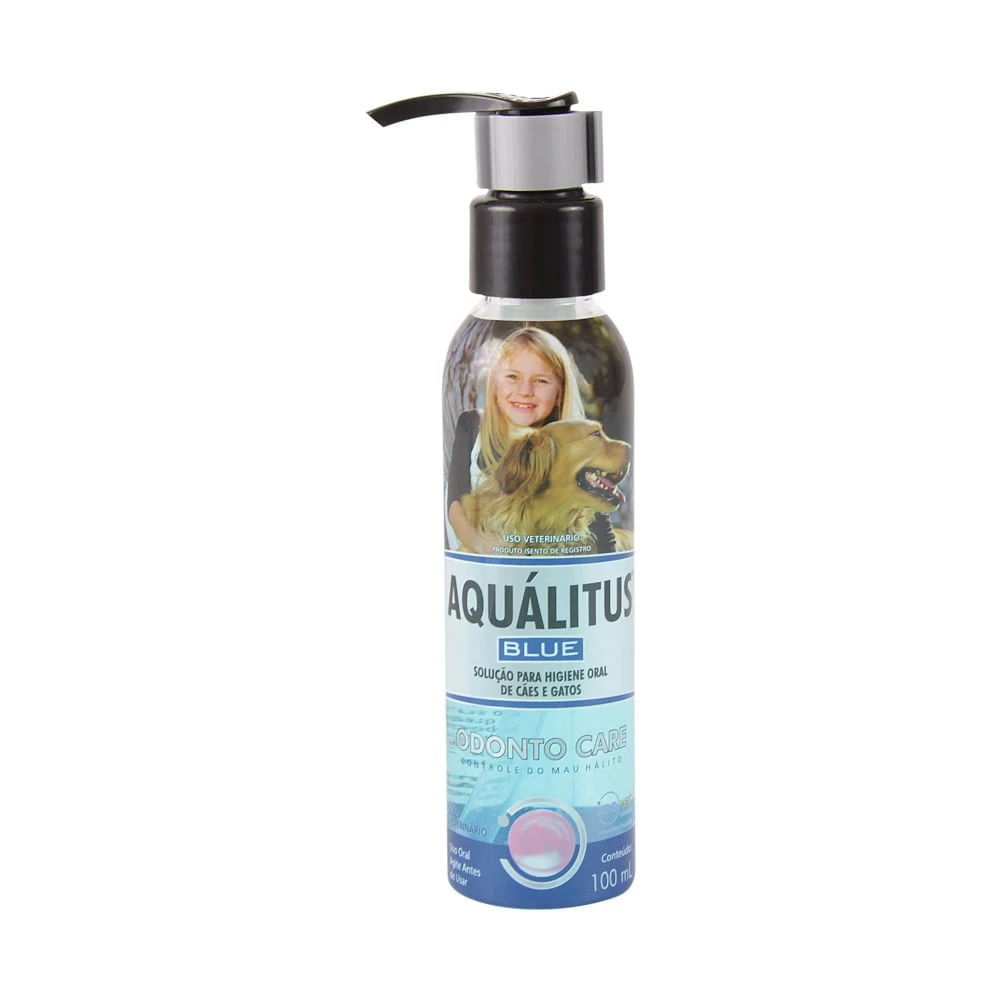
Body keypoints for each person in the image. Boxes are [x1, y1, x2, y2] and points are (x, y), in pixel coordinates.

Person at [446, 325, 616, 554]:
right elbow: (455, 503)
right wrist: (485, 548)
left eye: (541, 381)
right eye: (512, 377)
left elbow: (602, 531)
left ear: (560, 393)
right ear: (494, 384)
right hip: (486, 560)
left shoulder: (571, 444)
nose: (525, 390)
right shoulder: (472, 425)